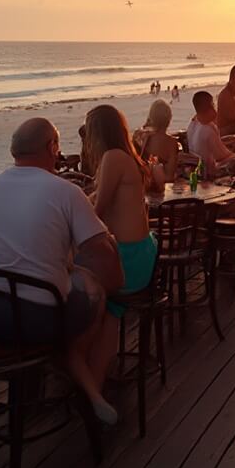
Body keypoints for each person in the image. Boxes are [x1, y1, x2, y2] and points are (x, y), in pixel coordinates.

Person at [0, 117, 124, 424]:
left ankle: (40, 390)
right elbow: (100, 249)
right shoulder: (66, 192)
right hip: (37, 321)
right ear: (51, 147)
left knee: (62, 290)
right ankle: (75, 374)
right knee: (94, 293)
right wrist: (109, 279)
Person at [83, 105, 158, 397]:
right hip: (139, 253)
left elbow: (96, 211)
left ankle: (85, 380)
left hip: (128, 259)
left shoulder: (113, 158)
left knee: (69, 287)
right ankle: (92, 378)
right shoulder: (126, 156)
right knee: (103, 312)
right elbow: (98, 199)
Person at [186, 91, 235, 178]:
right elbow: (223, 156)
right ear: (209, 107)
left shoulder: (193, 123)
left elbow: (209, 146)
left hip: (198, 169)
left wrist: (231, 140)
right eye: (213, 105)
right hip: (211, 173)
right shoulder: (208, 129)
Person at [137, 98, 180, 183]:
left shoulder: (145, 137)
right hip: (161, 187)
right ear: (169, 118)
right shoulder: (171, 143)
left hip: (146, 184)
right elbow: (169, 176)